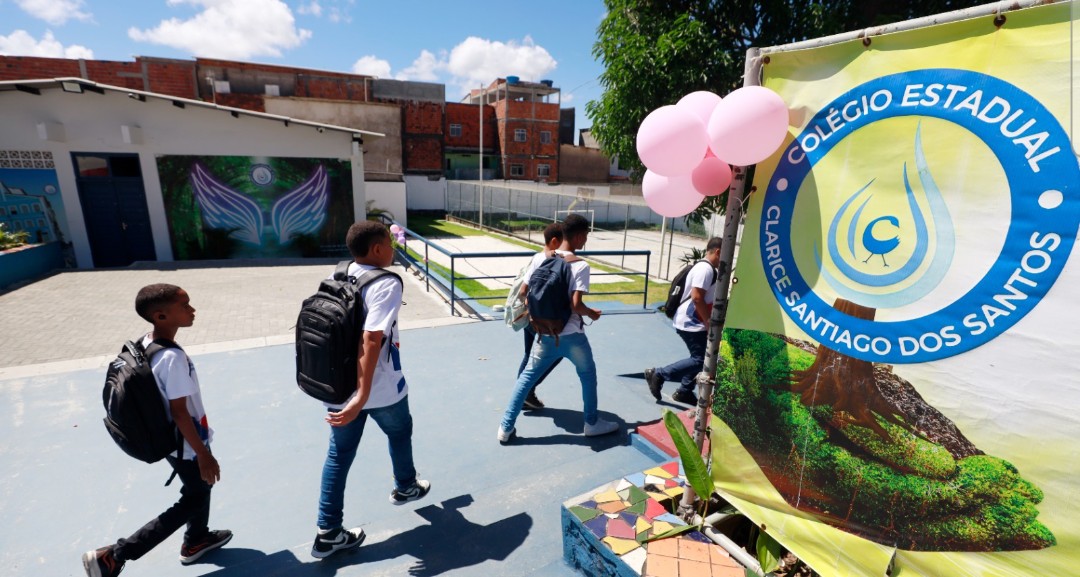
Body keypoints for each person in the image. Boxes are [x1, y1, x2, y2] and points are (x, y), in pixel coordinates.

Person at [83, 284, 232, 577]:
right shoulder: (172, 358)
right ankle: (115, 555)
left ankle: (197, 539)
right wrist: (203, 454)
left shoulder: (145, 343)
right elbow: (180, 412)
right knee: (196, 495)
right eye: (185, 305)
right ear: (162, 316)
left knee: (199, 489)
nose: (192, 310)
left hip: (168, 440)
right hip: (187, 442)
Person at [312, 220, 430, 559]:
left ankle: (328, 531)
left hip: (337, 386)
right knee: (400, 431)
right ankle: (405, 486)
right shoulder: (386, 283)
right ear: (377, 250)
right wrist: (362, 395)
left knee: (338, 456)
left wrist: (350, 397)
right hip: (380, 389)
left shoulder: (341, 271)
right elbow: (372, 337)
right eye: (390, 246)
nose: (393, 251)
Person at [498, 214, 619, 443]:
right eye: (586, 236)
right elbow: (576, 305)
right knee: (587, 375)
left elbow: (524, 293)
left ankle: (505, 428)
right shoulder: (581, 265)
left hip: (544, 334)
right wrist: (592, 313)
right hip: (572, 335)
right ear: (580, 235)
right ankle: (591, 423)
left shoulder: (538, 258)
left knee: (526, 379)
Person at [645, 237, 722, 405]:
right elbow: (696, 297)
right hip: (691, 321)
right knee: (701, 360)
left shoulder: (705, 268)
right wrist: (708, 322)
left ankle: (684, 391)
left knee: (699, 358)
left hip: (692, 320)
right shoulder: (705, 269)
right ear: (718, 251)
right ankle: (659, 374)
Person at [516, 222, 565, 410]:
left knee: (528, 354)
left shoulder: (536, 257)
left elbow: (523, 290)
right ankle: (526, 391)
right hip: (543, 319)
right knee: (555, 355)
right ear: (554, 241)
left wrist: (529, 302)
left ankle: (521, 394)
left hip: (530, 316)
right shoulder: (552, 260)